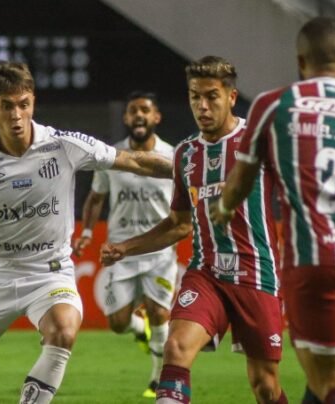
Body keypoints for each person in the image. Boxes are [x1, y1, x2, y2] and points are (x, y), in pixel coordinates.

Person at [0, 61, 172, 404]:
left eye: (24, 104)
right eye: (7, 106)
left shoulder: (64, 145)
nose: (17, 115)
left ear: (33, 102)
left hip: (51, 274)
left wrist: (189, 168)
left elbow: (136, 161)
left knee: (63, 329)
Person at [211, 17, 335, 404]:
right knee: (320, 377)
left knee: (328, 381)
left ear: (301, 60)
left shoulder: (275, 105)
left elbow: (241, 180)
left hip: (313, 256)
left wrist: (223, 209)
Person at [101, 56, 287, 404]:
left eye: (211, 96)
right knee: (176, 347)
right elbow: (179, 224)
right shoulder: (186, 154)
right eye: (194, 97)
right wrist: (126, 247)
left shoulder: (259, 142)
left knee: (264, 384)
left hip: (257, 274)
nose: (202, 106)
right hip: (207, 275)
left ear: (231, 97)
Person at [72, 91, 176, 398]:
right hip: (121, 250)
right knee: (117, 323)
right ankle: (138, 329)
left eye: (145, 110)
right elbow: (96, 198)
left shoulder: (173, 156)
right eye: (133, 110)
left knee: (159, 313)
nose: (139, 115)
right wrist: (87, 232)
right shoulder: (111, 157)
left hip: (159, 250)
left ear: (156, 117)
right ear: (126, 118)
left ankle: (158, 379)